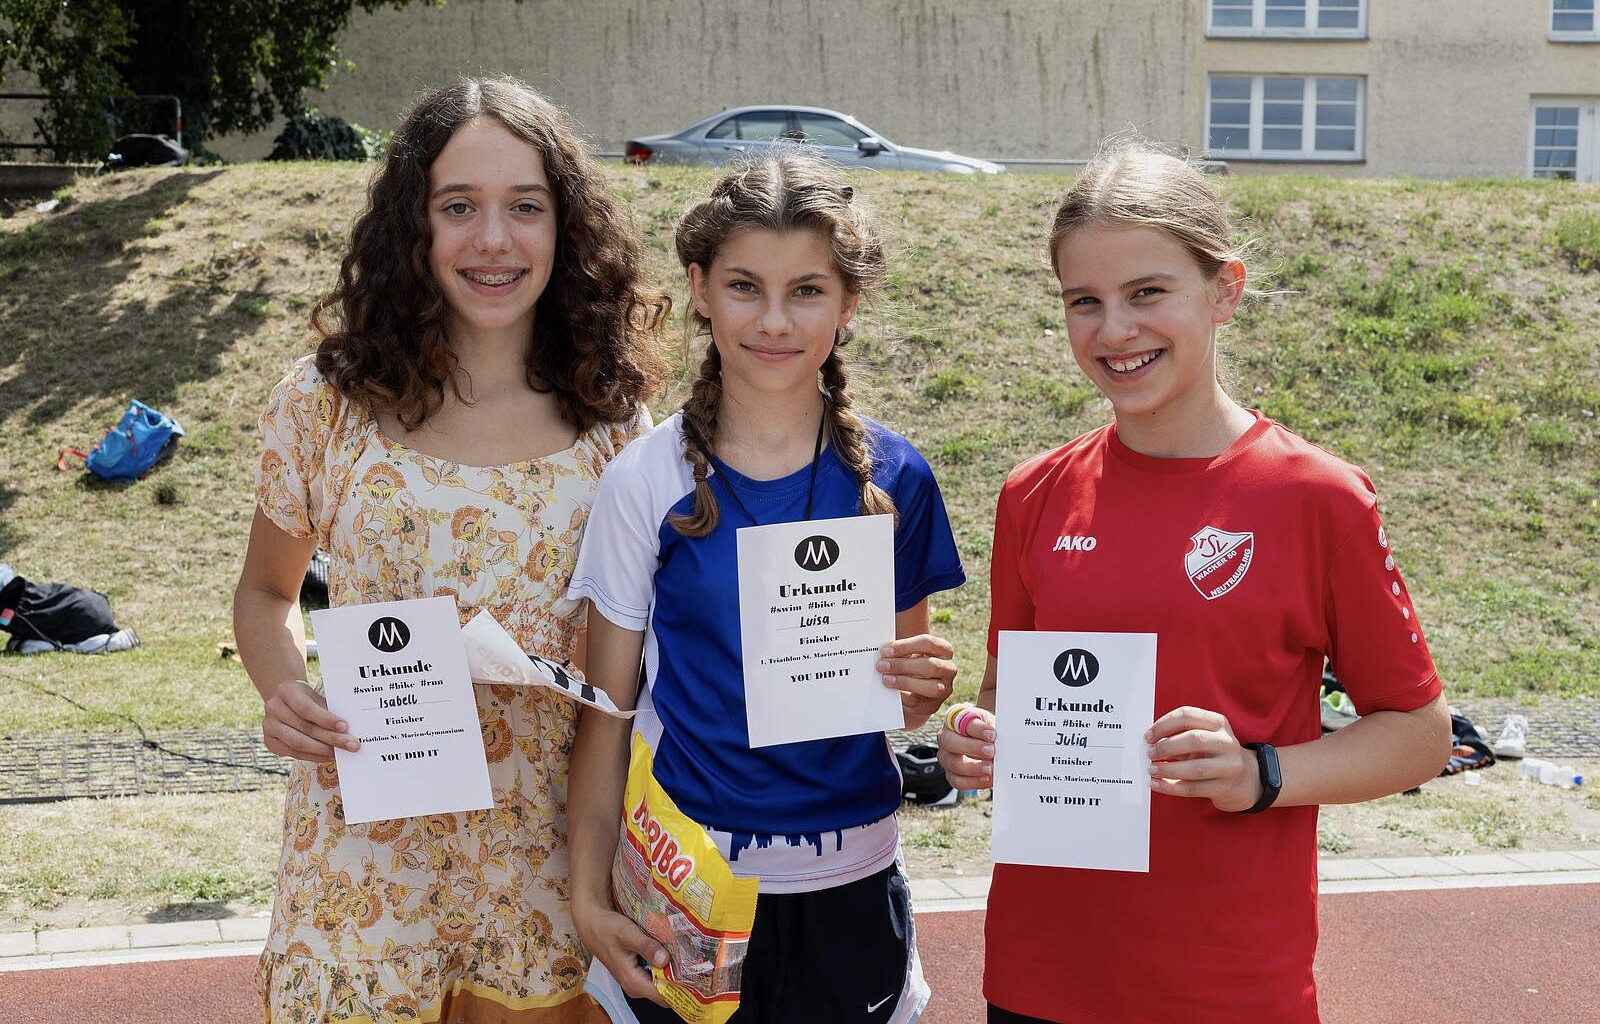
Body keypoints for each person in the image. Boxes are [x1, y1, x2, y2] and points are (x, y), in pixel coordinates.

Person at [937, 144, 1451, 1024]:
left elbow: (1420, 734)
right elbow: (1002, 699)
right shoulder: (1034, 493)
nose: (1114, 330)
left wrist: (1260, 771)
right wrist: (975, 741)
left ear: (1225, 290)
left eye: (1147, 292)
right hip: (1039, 974)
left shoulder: (1318, 497)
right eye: (1084, 301)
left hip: (1226, 985)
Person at [232, 75, 671, 1023]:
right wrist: (285, 690)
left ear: (566, 225)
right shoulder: (324, 402)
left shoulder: (616, 426)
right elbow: (266, 593)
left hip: (545, 866)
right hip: (362, 863)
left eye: (526, 206)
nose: (493, 239)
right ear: (413, 224)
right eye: (458, 206)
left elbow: (634, 661)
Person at [565, 151, 966, 1024]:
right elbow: (607, 712)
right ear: (700, 289)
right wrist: (588, 896)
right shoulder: (646, 480)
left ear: (848, 302)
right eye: (745, 286)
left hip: (851, 885)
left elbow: (901, 706)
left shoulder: (897, 476)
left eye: (807, 291)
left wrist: (922, 688)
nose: (775, 320)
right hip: (689, 888)